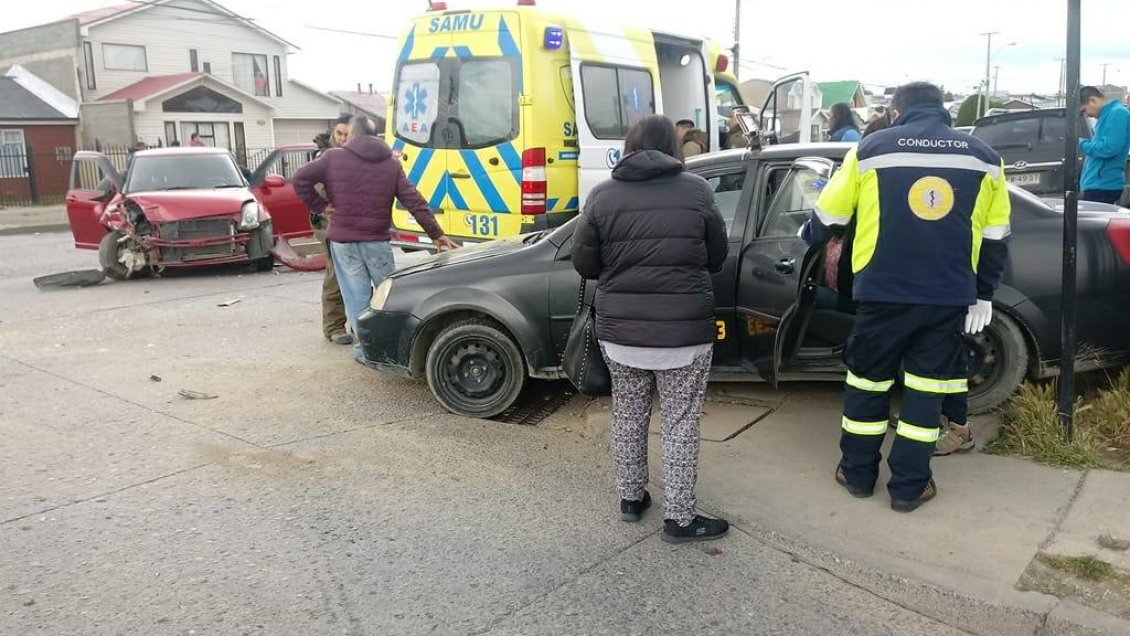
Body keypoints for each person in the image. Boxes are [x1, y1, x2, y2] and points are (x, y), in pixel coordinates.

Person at [801, 82, 1011, 512]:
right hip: (947, 295)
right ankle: (909, 488)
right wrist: (982, 294)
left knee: (867, 382)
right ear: (944, 111)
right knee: (925, 390)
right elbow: (995, 236)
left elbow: (832, 213)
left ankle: (857, 475)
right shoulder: (984, 157)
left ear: (897, 113)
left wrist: (811, 234)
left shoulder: (872, 148)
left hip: (883, 293)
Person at [572, 115, 730, 543]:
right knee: (680, 422)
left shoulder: (602, 195)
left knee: (628, 414)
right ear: (674, 147)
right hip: (684, 336)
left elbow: (585, 264)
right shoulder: (696, 191)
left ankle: (631, 499)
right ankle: (679, 519)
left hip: (620, 334)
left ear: (629, 146)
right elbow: (718, 255)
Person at [293, 116, 458, 363]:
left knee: (356, 300)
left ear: (352, 135)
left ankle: (366, 352)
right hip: (376, 243)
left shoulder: (333, 158)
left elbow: (300, 179)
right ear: (375, 136)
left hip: (344, 242)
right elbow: (413, 200)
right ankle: (391, 350)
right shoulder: (391, 165)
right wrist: (437, 233)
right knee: (389, 298)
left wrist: (321, 206)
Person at [312, 114, 354, 346]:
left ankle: (358, 324)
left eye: (348, 134)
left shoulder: (356, 156)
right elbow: (311, 187)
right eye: (339, 133)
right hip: (329, 222)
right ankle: (334, 326)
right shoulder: (326, 158)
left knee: (356, 273)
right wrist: (325, 207)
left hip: (352, 222)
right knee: (336, 272)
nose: (343, 138)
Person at [1079, 86, 1130, 204]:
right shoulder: (1108, 115)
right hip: (1099, 184)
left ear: (1093, 100)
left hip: (1104, 186)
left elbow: (1109, 148)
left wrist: (1083, 144)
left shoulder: (1117, 114)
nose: (1086, 115)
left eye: (1084, 110)